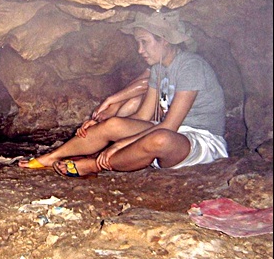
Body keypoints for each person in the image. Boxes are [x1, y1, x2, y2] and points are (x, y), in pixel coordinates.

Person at [18, 10, 228, 176]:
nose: (139, 50)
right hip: (166, 131)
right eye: (138, 42)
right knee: (115, 124)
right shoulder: (159, 69)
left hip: (199, 142)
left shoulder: (191, 66)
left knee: (160, 139)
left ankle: (94, 166)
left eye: (144, 42)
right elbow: (142, 117)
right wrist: (104, 127)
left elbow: (169, 126)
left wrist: (120, 144)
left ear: (164, 40)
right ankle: (51, 157)